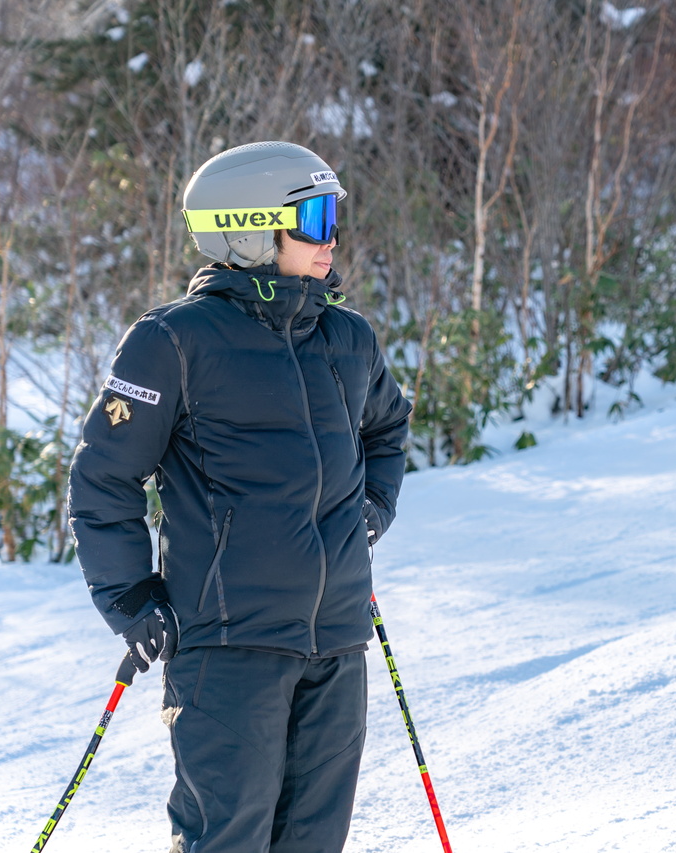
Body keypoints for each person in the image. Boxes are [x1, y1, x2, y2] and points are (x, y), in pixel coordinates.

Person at [67, 141, 413, 852]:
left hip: (336, 638)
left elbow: (387, 425)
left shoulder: (346, 336)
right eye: (313, 217)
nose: (331, 236)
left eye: (332, 214)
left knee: (314, 840)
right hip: (229, 649)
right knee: (227, 839)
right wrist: (131, 600)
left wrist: (370, 510)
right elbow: (103, 474)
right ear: (249, 228)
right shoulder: (173, 341)